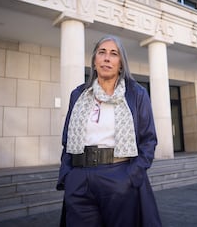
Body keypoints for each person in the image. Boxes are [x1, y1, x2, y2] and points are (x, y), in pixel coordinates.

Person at [56, 35, 162, 226]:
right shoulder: (78, 94)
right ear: (94, 60)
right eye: (102, 52)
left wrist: (131, 176)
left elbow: (149, 140)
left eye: (114, 54)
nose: (107, 58)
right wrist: (68, 174)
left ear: (121, 64)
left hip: (119, 175)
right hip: (79, 177)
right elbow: (67, 139)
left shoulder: (136, 94)